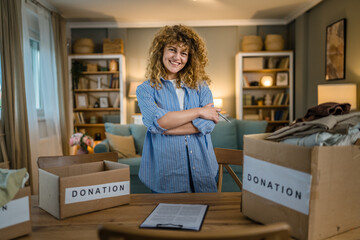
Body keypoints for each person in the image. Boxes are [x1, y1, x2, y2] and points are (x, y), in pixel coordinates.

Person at [136, 25, 220, 193]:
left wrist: (167, 128)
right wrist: (198, 111)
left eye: (184, 53)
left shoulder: (201, 86)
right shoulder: (145, 89)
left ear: (190, 57)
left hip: (203, 167)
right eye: (172, 50)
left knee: (207, 216)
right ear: (161, 51)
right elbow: (158, 121)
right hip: (167, 170)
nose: (177, 57)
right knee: (169, 218)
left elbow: (209, 124)